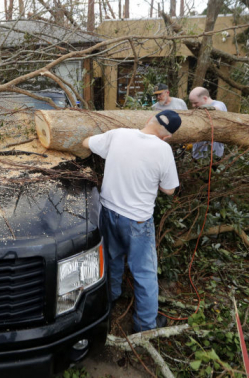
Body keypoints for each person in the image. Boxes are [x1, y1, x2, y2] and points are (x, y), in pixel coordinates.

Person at [82, 110, 182, 332]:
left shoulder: (118, 134)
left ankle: (110, 298)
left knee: (111, 259)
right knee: (144, 273)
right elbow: (169, 190)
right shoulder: (163, 149)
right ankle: (145, 326)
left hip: (107, 213)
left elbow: (87, 142)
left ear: (149, 119)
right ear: (168, 136)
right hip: (137, 221)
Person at [188, 87, 227, 159]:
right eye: (192, 103)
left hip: (213, 157)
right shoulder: (197, 109)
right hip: (197, 155)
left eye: (195, 103)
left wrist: (208, 108)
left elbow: (218, 108)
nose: (193, 105)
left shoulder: (219, 104)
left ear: (205, 98)